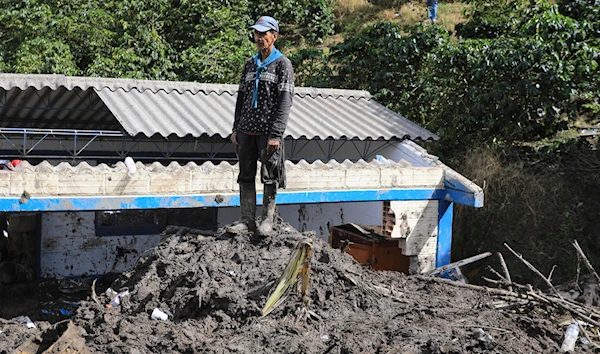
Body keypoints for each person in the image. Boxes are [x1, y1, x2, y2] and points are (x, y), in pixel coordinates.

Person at [227, 16, 294, 237]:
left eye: (263, 34)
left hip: (268, 132)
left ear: (274, 36)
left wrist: (276, 134)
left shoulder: (282, 64)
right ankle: (246, 219)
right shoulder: (249, 64)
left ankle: (267, 220)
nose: (259, 38)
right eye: (256, 34)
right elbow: (241, 98)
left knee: (270, 175)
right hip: (246, 130)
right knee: (245, 175)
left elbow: (285, 101)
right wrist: (236, 128)